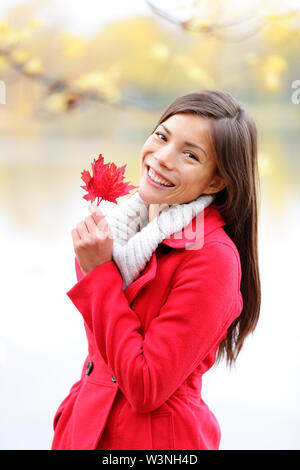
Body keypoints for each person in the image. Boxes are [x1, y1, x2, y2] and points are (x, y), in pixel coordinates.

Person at [51, 89, 261, 450]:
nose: (162, 158)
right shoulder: (123, 229)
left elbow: (146, 387)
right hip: (85, 430)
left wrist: (99, 273)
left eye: (190, 154)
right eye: (162, 136)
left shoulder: (212, 258)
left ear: (215, 181)